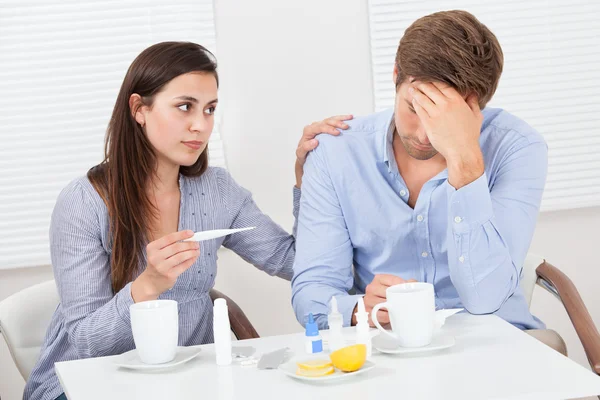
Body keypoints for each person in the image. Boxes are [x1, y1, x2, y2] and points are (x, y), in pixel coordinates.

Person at [24, 41, 346, 400]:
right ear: (138, 108)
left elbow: (298, 262)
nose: (200, 126)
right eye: (184, 107)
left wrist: (309, 181)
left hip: (184, 381)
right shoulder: (85, 201)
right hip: (84, 386)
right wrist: (147, 285)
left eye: (209, 110)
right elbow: (86, 344)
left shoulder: (217, 190)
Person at [291, 10, 548, 331]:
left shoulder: (518, 147)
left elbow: (487, 299)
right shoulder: (334, 151)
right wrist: (360, 310)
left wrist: (465, 160)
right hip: (390, 345)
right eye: (415, 108)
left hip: (495, 338)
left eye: (446, 118)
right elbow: (311, 294)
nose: (426, 136)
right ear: (397, 74)